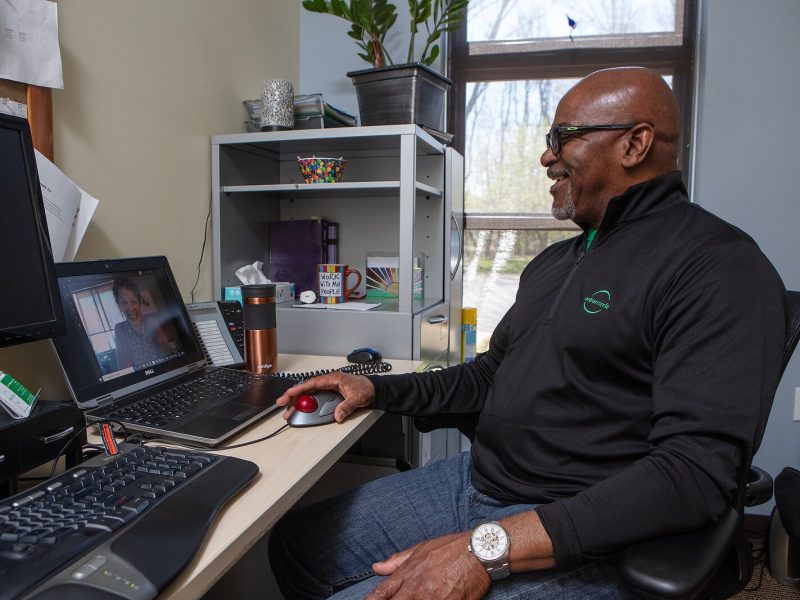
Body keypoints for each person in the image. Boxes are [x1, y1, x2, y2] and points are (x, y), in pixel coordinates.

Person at [268, 67, 789, 599]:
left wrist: (484, 547)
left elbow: (694, 476)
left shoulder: (718, 267)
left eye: (562, 137)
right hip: (481, 481)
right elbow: (490, 376)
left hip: (585, 525)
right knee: (295, 545)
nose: (546, 156)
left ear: (635, 143)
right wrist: (375, 389)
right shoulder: (556, 262)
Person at [112, 277, 172, 370]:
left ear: (139, 302)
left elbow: (167, 356)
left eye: (133, 301)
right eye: (124, 302)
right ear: (119, 305)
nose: (131, 308)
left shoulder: (152, 321)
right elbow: (125, 369)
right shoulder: (120, 329)